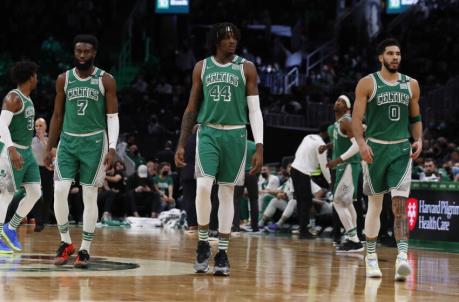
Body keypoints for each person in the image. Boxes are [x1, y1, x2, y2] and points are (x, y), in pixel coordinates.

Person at [175, 22, 264, 276]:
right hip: (209, 131)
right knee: (203, 187)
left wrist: (259, 144)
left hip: (236, 133)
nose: (232, 41)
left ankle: (222, 252)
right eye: (226, 38)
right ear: (216, 41)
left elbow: (255, 110)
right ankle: (203, 242)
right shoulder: (201, 67)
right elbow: (191, 107)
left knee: (227, 193)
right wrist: (181, 143)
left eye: (235, 37)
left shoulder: (246, 67)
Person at [44, 34, 119, 268]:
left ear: (94, 53)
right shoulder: (63, 79)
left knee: (89, 195)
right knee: (60, 190)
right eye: (78, 51)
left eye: (87, 51)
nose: (82, 55)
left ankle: (85, 249)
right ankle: (66, 242)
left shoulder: (106, 80)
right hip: (67, 141)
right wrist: (49, 146)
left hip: (95, 143)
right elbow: (57, 115)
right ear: (74, 53)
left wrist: (113, 147)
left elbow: (112, 116)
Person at [352, 38, 422, 281]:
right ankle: (371, 256)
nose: (396, 57)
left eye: (398, 53)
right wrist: (361, 144)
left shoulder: (411, 84)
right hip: (375, 149)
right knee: (375, 205)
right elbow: (356, 118)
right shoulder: (367, 83)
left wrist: (419, 139)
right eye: (391, 53)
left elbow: (415, 118)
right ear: (380, 57)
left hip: (401, 150)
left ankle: (402, 257)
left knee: (400, 205)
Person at [0, 61, 42, 254]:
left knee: (35, 192)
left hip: (26, 151)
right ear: (30, 77)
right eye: (36, 75)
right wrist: (11, 150)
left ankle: (10, 227)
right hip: (11, 150)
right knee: (5, 195)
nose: (37, 79)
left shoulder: (28, 98)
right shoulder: (13, 97)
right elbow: (2, 126)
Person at [319, 95, 363, 252]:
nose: (338, 102)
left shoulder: (347, 120)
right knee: (348, 203)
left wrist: (337, 160)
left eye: (342, 101)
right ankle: (354, 238)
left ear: (348, 108)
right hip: (344, 166)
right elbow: (341, 141)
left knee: (337, 202)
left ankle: (354, 240)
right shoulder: (339, 123)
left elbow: (357, 145)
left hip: (349, 165)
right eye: (337, 100)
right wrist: (328, 146)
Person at [290, 125, 331, 239]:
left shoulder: (308, 136)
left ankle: (302, 229)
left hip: (294, 169)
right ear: (327, 133)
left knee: (300, 202)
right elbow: (324, 165)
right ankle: (303, 232)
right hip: (303, 172)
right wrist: (330, 181)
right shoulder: (321, 144)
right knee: (306, 202)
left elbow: (298, 153)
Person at [31, 117, 54, 232]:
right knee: (36, 195)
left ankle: (44, 219)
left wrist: (43, 139)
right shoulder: (31, 140)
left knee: (48, 196)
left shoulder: (50, 139)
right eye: (36, 126)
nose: (38, 128)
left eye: (40, 125)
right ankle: (38, 222)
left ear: (45, 127)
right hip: (35, 170)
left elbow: (54, 153)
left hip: (47, 170)